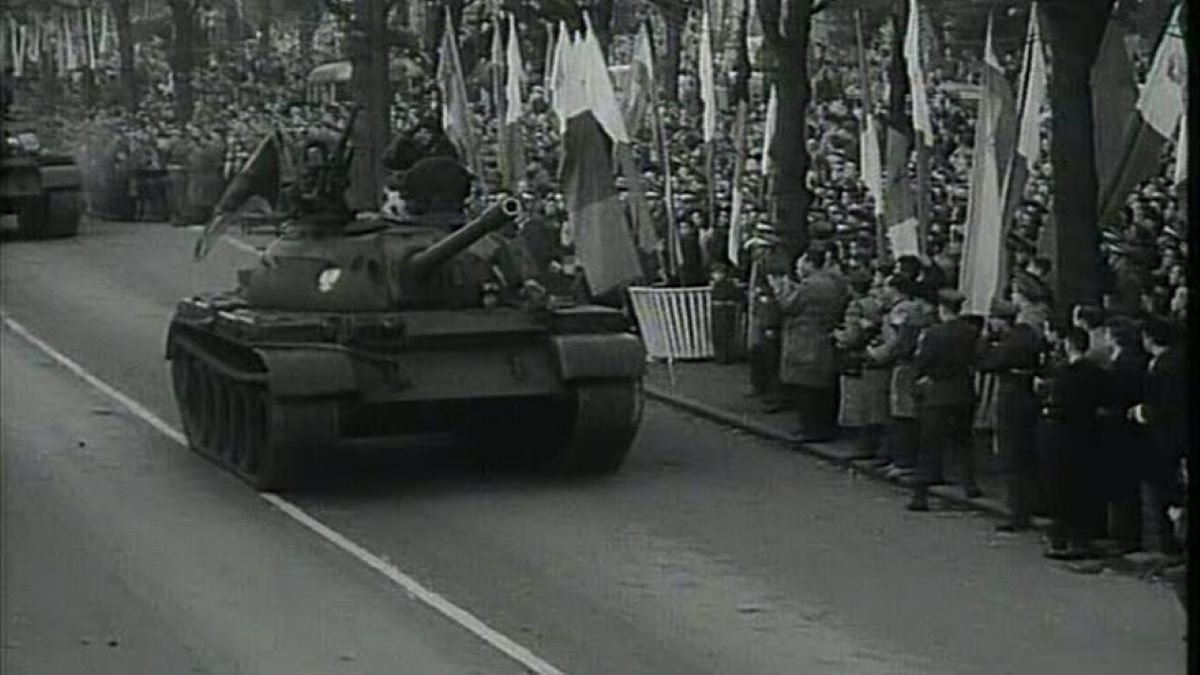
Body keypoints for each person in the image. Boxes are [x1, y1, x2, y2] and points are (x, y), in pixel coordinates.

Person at [907, 289, 981, 512]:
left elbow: (923, 361)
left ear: (942, 309)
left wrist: (920, 377)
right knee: (963, 441)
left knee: (930, 443)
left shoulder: (933, 334)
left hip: (937, 392)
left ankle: (920, 494)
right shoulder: (971, 332)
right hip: (963, 390)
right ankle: (969, 484)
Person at [1039, 326, 1108, 560]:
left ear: (1068, 344)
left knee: (1060, 489)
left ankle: (1061, 539)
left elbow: (1057, 405)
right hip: (1088, 436)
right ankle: (1081, 539)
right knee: (1082, 487)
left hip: (1063, 436)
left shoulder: (1065, 375)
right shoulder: (1098, 373)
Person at [976, 297, 1043, 531]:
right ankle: (1033, 504)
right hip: (1030, 397)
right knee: (1028, 455)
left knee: (1011, 456)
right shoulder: (1030, 336)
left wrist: (986, 339)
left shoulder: (1008, 343)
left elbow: (984, 363)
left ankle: (1017, 512)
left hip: (1011, 398)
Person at [773, 246, 849, 442]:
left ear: (808, 263)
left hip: (806, 338)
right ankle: (823, 426)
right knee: (823, 387)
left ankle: (812, 429)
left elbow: (788, 305)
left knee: (807, 389)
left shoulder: (810, 286)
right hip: (824, 335)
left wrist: (781, 288)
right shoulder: (836, 282)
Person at [1128, 317, 1186, 558]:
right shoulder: (1168, 361)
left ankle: (1169, 546)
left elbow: (1166, 404)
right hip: (1166, 437)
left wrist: (1140, 412)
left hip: (1165, 437)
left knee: (1165, 491)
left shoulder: (1167, 367)